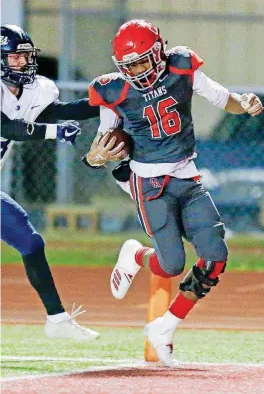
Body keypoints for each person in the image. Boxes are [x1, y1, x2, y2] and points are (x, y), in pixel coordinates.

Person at [84, 19, 263, 365]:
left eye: (142, 61)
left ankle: (165, 327)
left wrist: (245, 102)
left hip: (187, 175)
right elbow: (101, 147)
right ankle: (136, 255)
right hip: (149, 183)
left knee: (215, 257)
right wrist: (96, 156)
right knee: (170, 265)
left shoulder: (182, 67)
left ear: (160, 51)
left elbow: (223, 98)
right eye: (129, 65)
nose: (137, 71)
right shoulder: (115, 91)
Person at [1, 24, 124, 341]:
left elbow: (57, 111)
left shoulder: (34, 90)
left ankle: (56, 319)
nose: (24, 63)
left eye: (26, 56)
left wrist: (103, 101)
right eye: (16, 57)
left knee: (30, 242)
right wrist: (57, 133)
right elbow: (11, 129)